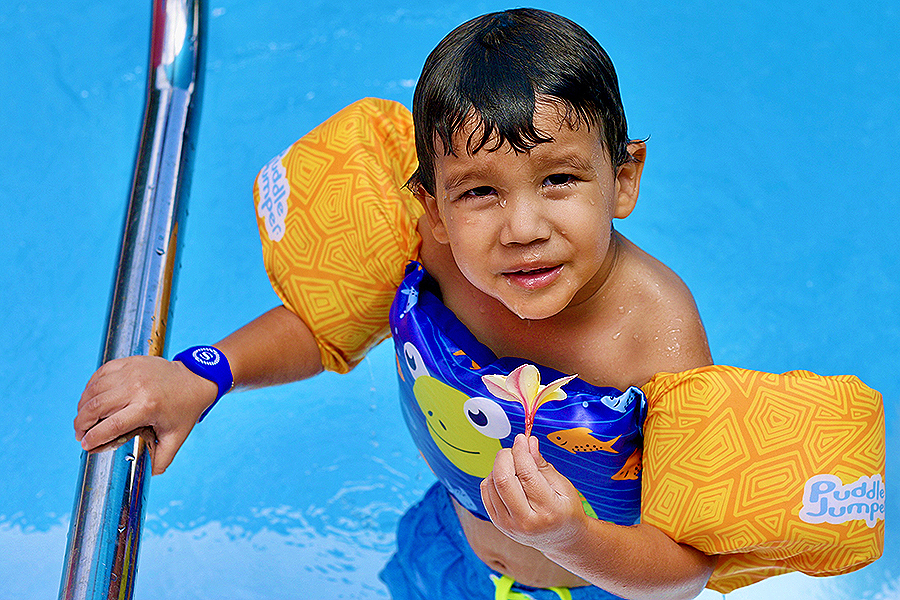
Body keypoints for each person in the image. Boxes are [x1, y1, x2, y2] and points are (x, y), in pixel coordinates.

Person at [75, 8, 884, 600]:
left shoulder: (652, 332)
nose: (522, 229)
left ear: (624, 179)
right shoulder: (429, 254)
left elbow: (681, 565)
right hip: (456, 548)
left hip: (597, 584)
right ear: (429, 206)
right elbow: (325, 328)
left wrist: (571, 539)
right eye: (480, 193)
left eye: (559, 180)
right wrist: (201, 375)